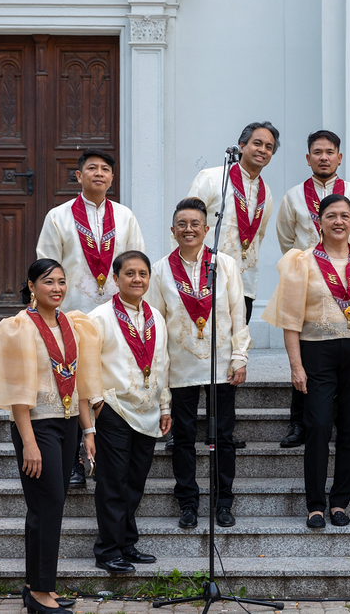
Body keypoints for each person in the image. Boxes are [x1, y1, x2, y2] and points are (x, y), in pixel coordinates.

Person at [0, 259, 101, 614]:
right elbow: (18, 396)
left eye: (61, 281)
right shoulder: (19, 328)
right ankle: (41, 592)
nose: (57, 288)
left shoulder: (73, 324)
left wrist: (88, 430)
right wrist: (28, 443)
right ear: (32, 286)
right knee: (48, 505)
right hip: (37, 425)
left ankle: (35, 586)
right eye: (48, 281)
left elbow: (80, 383)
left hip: (68, 423)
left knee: (48, 506)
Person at [262, 194, 350, 529]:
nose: (338, 221)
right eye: (331, 215)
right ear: (319, 222)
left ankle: (340, 501)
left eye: (345, 216)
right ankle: (315, 504)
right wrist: (295, 366)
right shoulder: (301, 262)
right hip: (316, 351)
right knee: (316, 425)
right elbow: (290, 320)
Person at [35, 148, 146, 489]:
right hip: (71, 313)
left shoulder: (125, 217)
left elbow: (136, 261)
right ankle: (72, 460)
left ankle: (108, 455)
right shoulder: (59, 216)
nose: (99, 173)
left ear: (112, 178)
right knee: (69, 386)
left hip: (116, 315)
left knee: (108, 383)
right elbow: (47, 266)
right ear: (79, 175)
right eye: (92, 168)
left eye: (105, 169)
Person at [146, 198, 252, 531]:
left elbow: (238, 314)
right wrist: (159, 371)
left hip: (221, 365)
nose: (188, 229)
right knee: (183, 438)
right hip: (179, 367)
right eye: (182, 224)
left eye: (195, 224)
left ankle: (224, 501)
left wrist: (240, 356)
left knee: (223, 437)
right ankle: (188, 502)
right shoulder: (160, 270)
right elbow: (156, 323)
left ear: (206, 229)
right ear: (173, 230)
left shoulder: (224, 264)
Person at [275, 130, 350, 450]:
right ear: (308, 158)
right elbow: (286, 240)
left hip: (348, 283)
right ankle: (298, 422)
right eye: (317, 152)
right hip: (310, 280)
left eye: (330, 152)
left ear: (339, 157)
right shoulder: (292, 197)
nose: (324, 157)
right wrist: (305, 267)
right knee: (306, 352)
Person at [87, 251, 170, 574]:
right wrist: (97, 403)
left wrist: (165, 406)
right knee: (112, 482)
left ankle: (126, 543)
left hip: (148, 411)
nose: (137, 279)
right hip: (114, 409)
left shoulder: (155, 317)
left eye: (142, 273)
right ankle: (108, 550)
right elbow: (89, 364)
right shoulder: (100, 317)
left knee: (135, 481)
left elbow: (162, 364)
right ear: (116, 278)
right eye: (130, 273)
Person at [187, 121, 278, 325]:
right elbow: (186, 226)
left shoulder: (266, 193)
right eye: (257, 143)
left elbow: (259, 236)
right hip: (205, 279)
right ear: (242, 146)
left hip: (244, 284)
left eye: (269, 147)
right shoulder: (211, 178)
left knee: (237, 340)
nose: (262, 150)